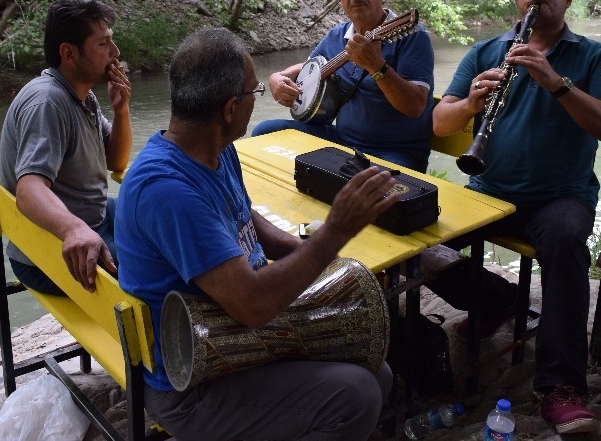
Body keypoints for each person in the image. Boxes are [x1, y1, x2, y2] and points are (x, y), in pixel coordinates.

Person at [115, 27, 397, 440]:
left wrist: (311, 257)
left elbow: (244, 219)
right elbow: (252, 303)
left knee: (375, 369)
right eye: (254, 92)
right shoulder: (166, 189)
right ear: (231, 108)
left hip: (236, 336)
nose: (256, 99)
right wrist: (335, 230)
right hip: (193, 379)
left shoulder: (215, 148)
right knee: (357, 395)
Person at [426, 0, 601, 434]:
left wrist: (557, 83)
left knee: (566, 243)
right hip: (489, 192)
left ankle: (561, 387)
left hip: (560, 196)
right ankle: (498, 299)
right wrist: (471, 103)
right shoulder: (487, 51)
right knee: (413, 237)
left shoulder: (594, 56)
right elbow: (440, 122)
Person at [0, 0, 132, 295]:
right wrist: (73, 228)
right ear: (69, 53)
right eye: (103, 43)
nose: (115, 52)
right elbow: (29, 190)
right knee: (157, 265)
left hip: (92, 217)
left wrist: (121, 111)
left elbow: (116, 162)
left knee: (157, 215)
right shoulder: (48, 102)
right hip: (51, 251)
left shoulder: (81, 95)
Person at [252, 0, 435, 172]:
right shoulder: (336, 36)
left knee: (362, 183)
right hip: (341, 140)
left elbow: (415, 106)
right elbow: (312, 67)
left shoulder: (413, 37)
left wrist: (377, 66)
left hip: (394, 151)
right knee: (265, 132)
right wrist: (277, 77)